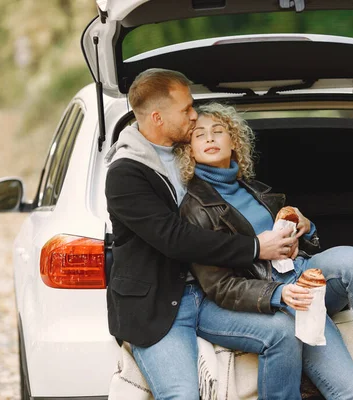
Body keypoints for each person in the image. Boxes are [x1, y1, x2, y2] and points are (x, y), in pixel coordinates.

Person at [176, 102, 353, 400]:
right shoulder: (193, 208)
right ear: (189, 149)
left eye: (218, 131)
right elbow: (219, 286)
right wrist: (279, 295)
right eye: (199, 135)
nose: (210, 138)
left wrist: (306, 227)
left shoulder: (256, 189)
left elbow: (293, 245)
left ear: (234, 141)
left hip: (303, 276)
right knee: (351, 394)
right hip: (276, 296)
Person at [104, 68, 299, 400]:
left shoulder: (190, 154)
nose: (195, 116)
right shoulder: (125, 173)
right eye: (186, 110)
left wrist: (293, 219)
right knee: (181, 395)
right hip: (159, 308)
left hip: (211, 294)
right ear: (157, 118)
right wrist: (255, 247)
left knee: (283, 333)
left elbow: (233, 203)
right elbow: (175, 238)